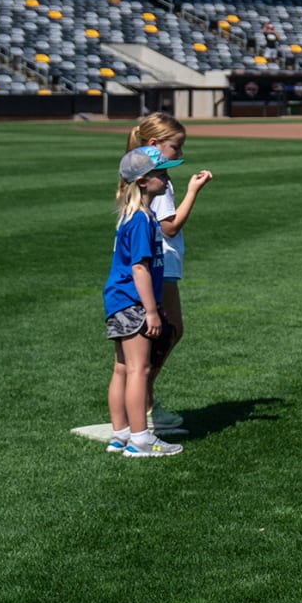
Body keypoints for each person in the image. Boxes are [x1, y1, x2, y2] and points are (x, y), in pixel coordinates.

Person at [126, 112, 214, 437]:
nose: (180, 152)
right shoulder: (157, 181)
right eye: (176, 147)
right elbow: (170, 226)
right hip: (161, 263)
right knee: (168, 331)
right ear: (154, 144)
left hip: (159, 262)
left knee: (164, 333)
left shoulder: (143, 175)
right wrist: (194, 191)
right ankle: (145, 400)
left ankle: (143, 397)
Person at [105, 145, 185, 457]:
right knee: (139, 369)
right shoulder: (141, 219)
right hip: (133, 301)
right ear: (142, 181)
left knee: (123, 368)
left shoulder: (135, 215)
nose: (166, 179)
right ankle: (140, 441)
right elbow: (139, 268)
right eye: (160, 174)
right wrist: (151, 311)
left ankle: (120, 434)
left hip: (119, 300)